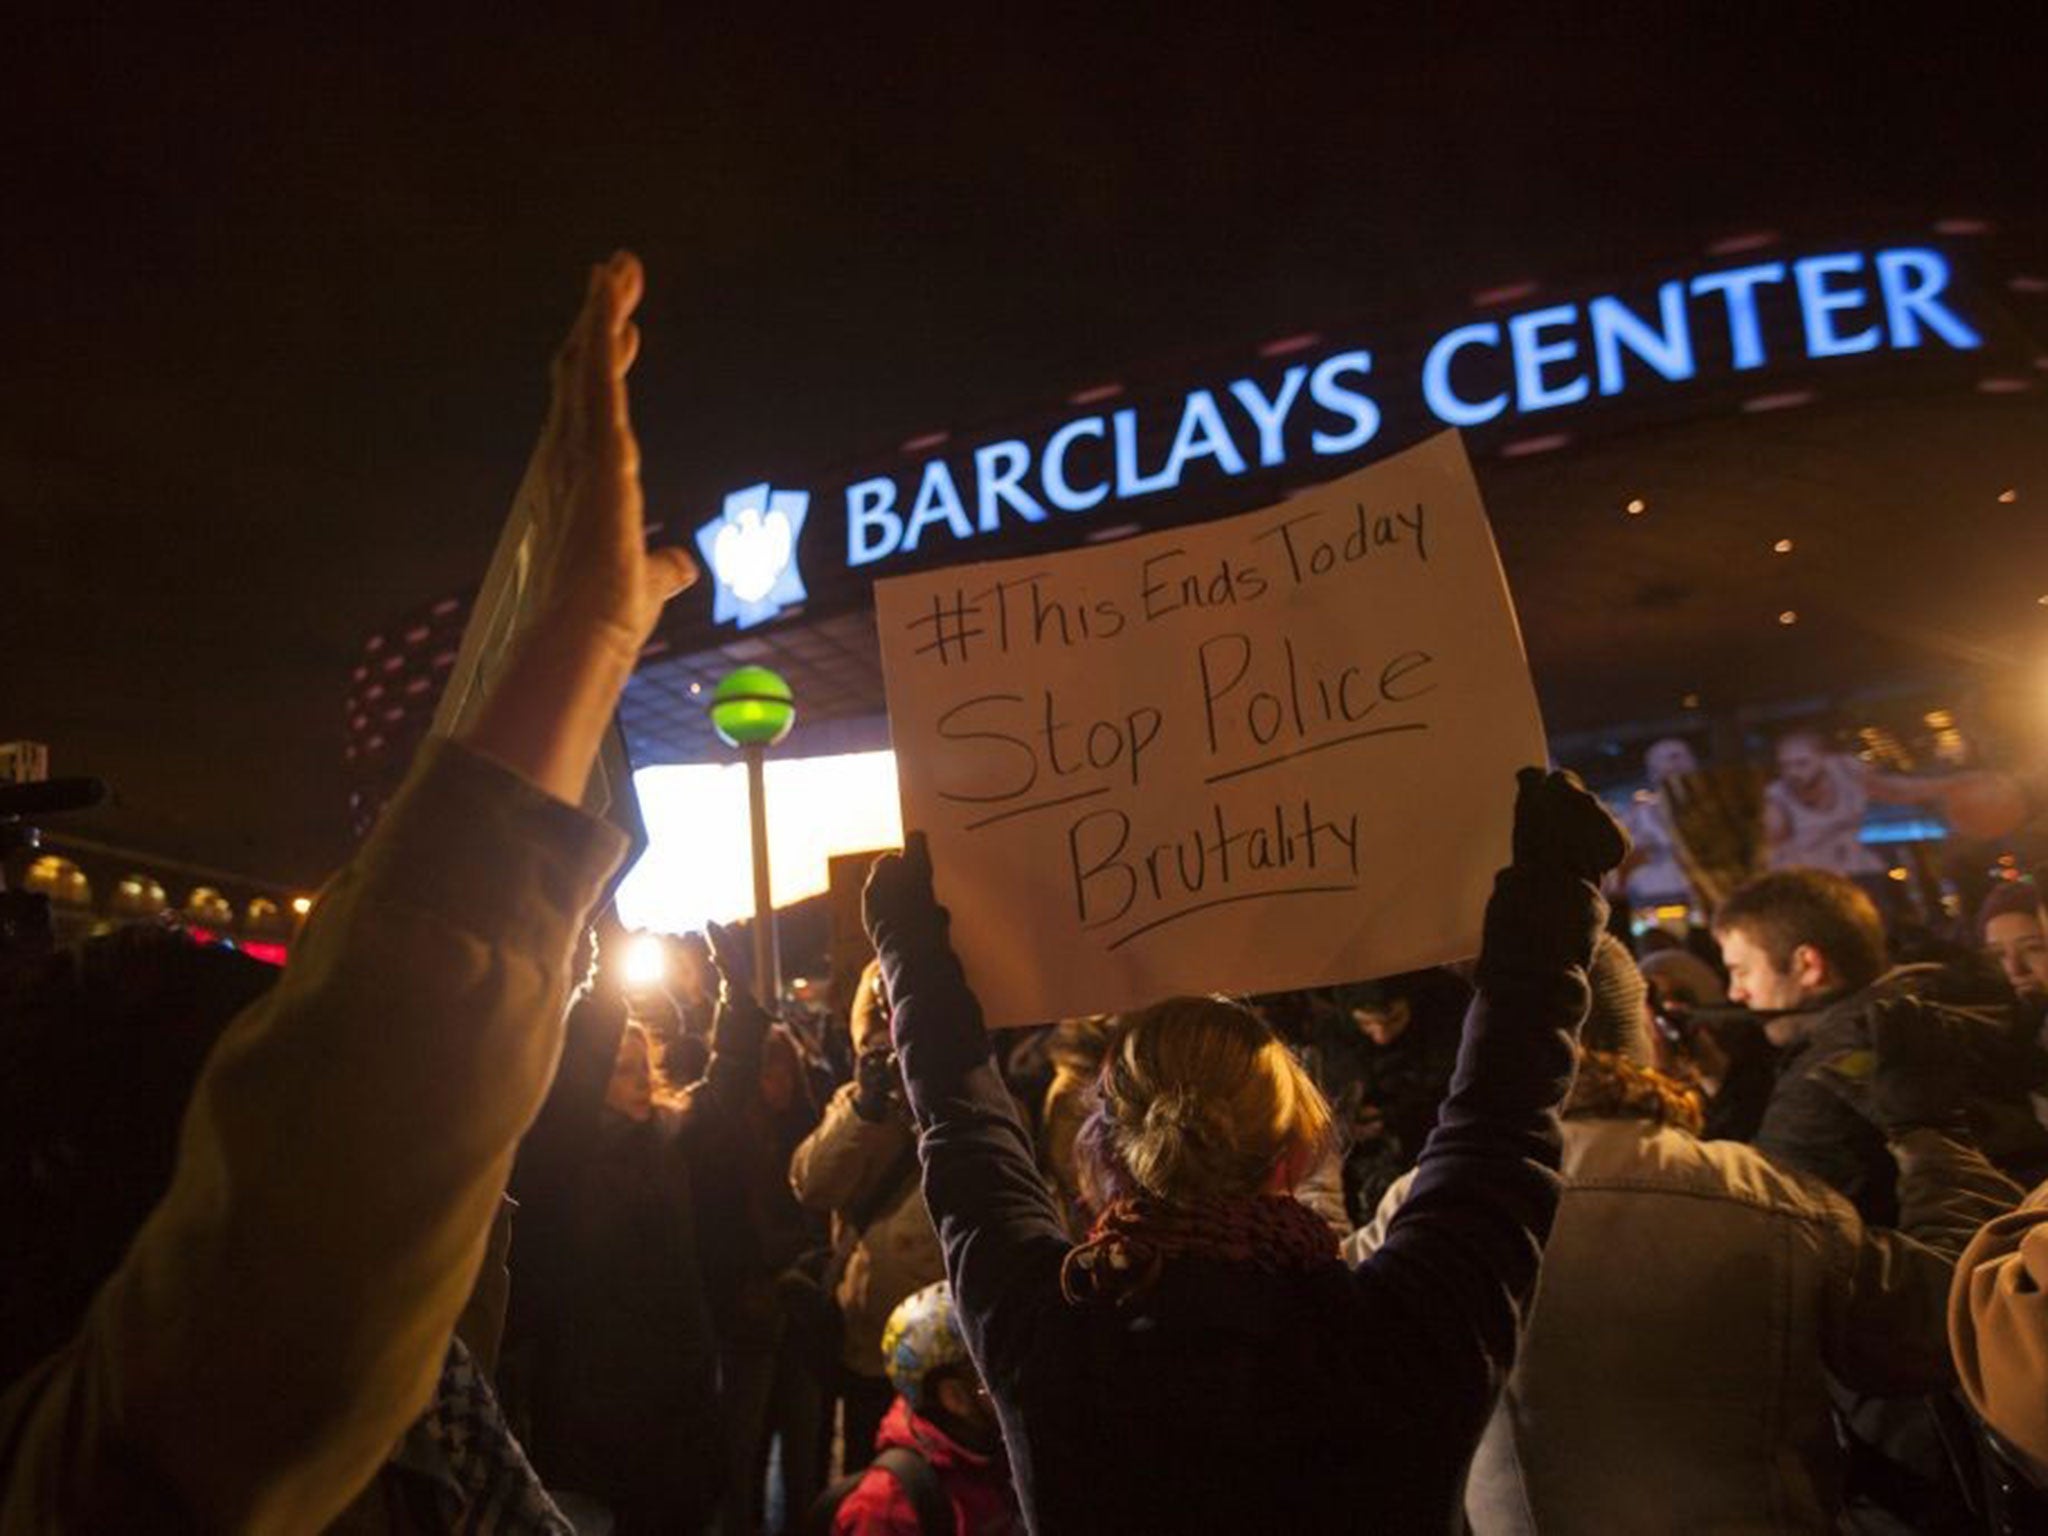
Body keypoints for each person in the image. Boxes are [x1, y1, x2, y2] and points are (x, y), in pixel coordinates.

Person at [0, 251, 698, 1529]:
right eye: (271, 1080)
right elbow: (308, 1262)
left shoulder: (435, 1392)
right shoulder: (134, 1460)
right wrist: (576, 649)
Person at [861, 768, 1628, 1533]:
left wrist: (915, 962)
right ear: (1295, 1151)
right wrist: (1553, 910)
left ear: (1107, 1151)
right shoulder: (1408, 1336)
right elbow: (1500, 1128)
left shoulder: (1050, 1341)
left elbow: (964, 1136)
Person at [1353, 939, 2019, 1533]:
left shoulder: (1421, 1208)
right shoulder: (1762, 1195)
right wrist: (1931, 1134)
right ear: (1642, 1031)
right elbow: (1959, 1320)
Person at [1715, 868, 2046, 1223]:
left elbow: (1764, 1220)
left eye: (1742, 971)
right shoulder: (1943, 1002)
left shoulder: (1829, 1072)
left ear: (1808, 965)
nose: (1736, 993)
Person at [789, 959, 945, 1471]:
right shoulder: (855, 1103)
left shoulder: (962, 1099)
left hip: (942, 1352)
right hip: (867, 1348)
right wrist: (865, 1109)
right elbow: (812, 1184)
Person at [823, 1283, 1020, 1536]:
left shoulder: (993, 1455)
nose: (1015, 1378)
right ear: (955, 1397)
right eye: (995, 1369)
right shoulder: (887, 1509)